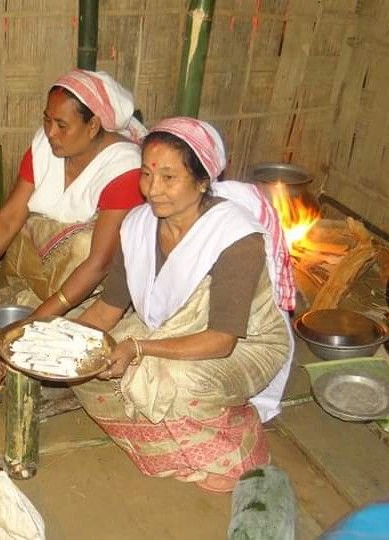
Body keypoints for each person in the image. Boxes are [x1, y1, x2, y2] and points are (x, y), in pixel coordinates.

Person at [75, 117, 296, 493]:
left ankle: (240, 447)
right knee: (89, 366)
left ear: (203, 180)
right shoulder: (138, 227)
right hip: (170, 330)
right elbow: (107, 310)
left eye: (169, 178)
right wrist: (55, 343)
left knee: (176, 381)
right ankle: (184, 441)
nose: (153, 190)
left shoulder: (233, 236)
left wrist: (137, 349)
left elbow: (222, 341)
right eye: (146, 174)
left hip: (246, 344)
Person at [0, 69, 148, 320]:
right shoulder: (45, 148)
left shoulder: (123, 169)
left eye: (62, 125)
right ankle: (50, 298)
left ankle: (71, 304)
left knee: (83, 245)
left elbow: (99, 262)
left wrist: (34, 321)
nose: (50, 132)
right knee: (21, 226)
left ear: (93, 126)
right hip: (46, 264)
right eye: (47, 120)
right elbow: (9, 217)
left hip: (92, 270)